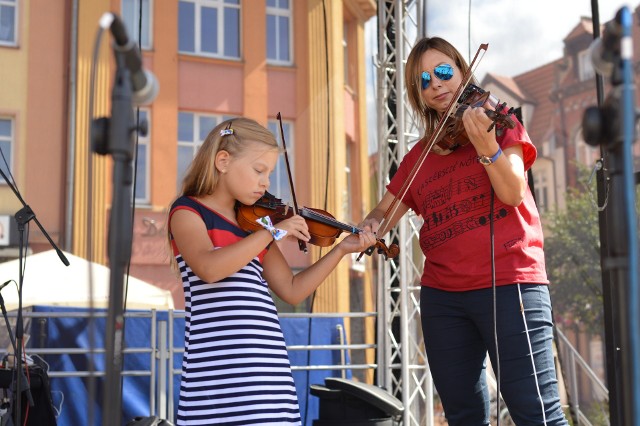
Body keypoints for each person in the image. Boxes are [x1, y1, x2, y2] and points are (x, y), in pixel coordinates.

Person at [361, 37, 569, 425]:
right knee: (463, 417)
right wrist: (370, 227)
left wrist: (485, 145)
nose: (436, 84)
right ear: (419, 96)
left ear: (462, 70)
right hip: (444, 298)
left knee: (537, 413)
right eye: (424, 81)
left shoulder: (498, 124)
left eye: (443, 72)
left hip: (509, 283)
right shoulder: (418, 156)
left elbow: (511, 191)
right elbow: (384, 211)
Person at [168, 117, 376, 425]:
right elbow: (209, 268)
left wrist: (341, 249)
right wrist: (272, 233)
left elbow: (292, 289)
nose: (266, 183)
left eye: (270, 173)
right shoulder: (188, 212)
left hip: (269, 377)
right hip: (218, 380)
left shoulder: (254, 225)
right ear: (223, 161)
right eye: (258, 170)